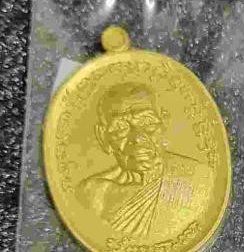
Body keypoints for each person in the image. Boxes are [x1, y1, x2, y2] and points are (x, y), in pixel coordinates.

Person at [77, 83, 212, 238]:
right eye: (121, 127)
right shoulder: (93, 193)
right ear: (103, 136)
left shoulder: (200, 178)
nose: (137, 138)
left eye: (147, 122)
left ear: (165, 123)